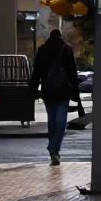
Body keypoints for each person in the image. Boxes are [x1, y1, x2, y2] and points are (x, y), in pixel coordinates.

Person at [29, 29, 80, 166]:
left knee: (52, 120)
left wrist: (33, 89)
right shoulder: (67, 50)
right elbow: (73, 74)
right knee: (60, 122)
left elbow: (36, 72)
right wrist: (76, 93)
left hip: (48, 91)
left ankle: (53, 148)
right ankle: (54, 149)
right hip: (63, 92)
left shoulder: (42, 50)